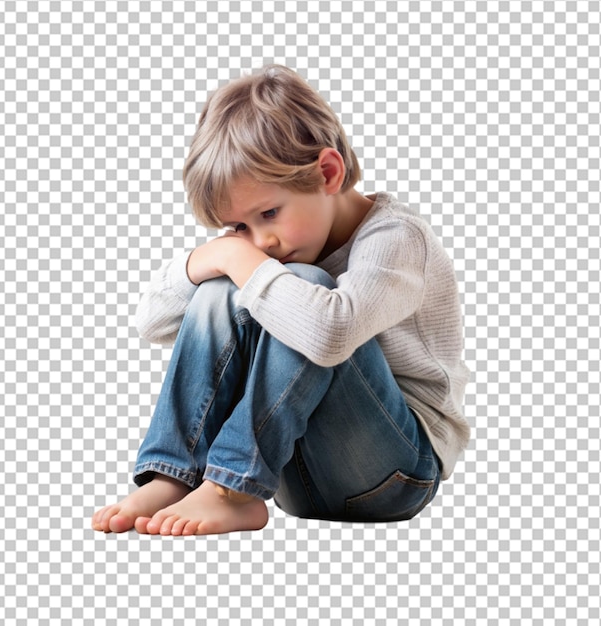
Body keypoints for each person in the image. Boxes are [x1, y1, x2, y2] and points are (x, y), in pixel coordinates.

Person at [92, 65, 470, 536]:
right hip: (290, 476)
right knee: (222, 288)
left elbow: (330, 334)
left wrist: (238, 256)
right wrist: (213, 258)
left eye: (269, 213)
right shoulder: (258, 246)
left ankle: (232, 488)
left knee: (303, 288)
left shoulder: (396, 238)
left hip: (394, 472)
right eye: (239, 227)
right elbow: (152, 323)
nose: (260, 241)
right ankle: (175, 473)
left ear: (327, 173)